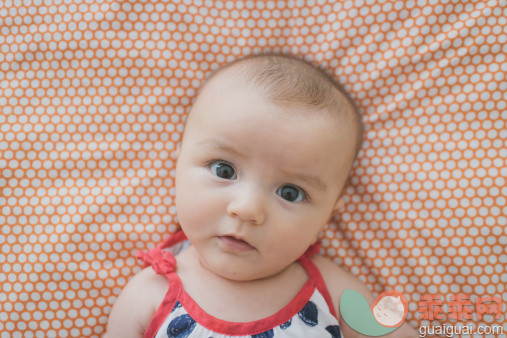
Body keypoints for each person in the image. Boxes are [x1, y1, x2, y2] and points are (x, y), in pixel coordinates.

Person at [104, 54, 416, 337]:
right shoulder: (149, 295)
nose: (248, 209)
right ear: (177, 164)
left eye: (291, 193)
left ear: (330, 213)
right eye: (224, 171)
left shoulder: (334, 292)